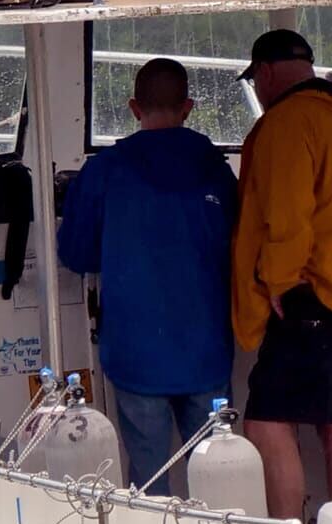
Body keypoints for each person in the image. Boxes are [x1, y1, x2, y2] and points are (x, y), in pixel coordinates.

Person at [229, 27, 332, 521]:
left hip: (310, 295)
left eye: (255, 81)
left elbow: (287, 212)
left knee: (267, 423)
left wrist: (279, 282)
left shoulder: (286, 123)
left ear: (266, 72)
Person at [56, 58, 241, 490]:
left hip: (136, 350)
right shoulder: (216, 170)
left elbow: (76, 253)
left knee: (149, 476)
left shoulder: (104, 171)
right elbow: (239, 243)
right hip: (207, 347)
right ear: (189, 107)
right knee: (216, 475)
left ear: (134, 108)